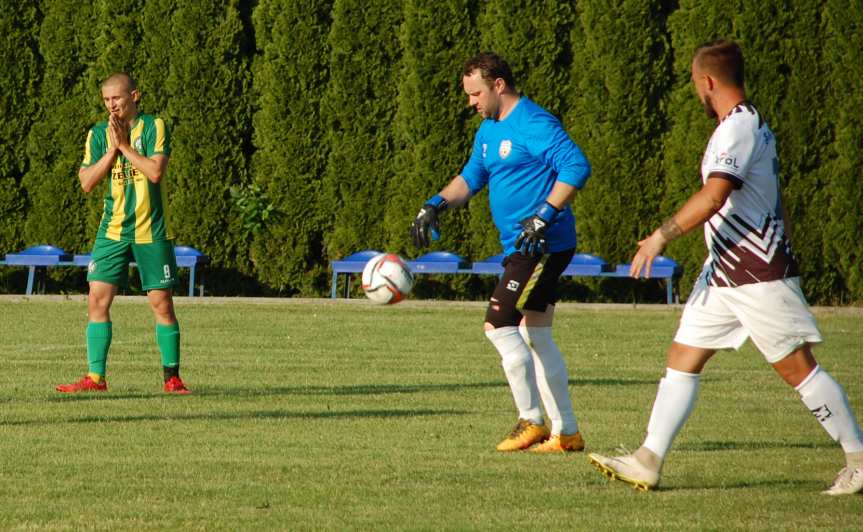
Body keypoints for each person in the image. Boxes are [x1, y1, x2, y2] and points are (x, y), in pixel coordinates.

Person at [588, 40, 863, 495]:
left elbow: (715, 195)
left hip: (754, 273)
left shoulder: (738, 128)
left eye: (695, 83)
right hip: (725, 272)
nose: (696, 91)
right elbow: (774, 198)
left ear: (707, 81)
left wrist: (660, 236)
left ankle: (857, 456)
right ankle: (648, 460)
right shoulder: (749, 124)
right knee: (683, 357)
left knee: (797, 367)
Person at [411, 53, 591, 452]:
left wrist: (544, 215)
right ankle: (568, 433)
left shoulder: (535, 123)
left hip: (541, 244)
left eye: (475, 94)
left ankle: (531, 420)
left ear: (498, 85)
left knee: (499, 323)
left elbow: (576, 166)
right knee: (537, 336)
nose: (471, 102)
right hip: (522, 247)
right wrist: (435, 203)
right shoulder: (489, 130)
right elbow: (472, 176)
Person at [56, 72, 190, 394]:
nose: (111, 105)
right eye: (106, 100)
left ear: (134, 96)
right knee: (96, 300)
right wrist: (112, 150)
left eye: (116, 98)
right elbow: (87, 183)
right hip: (113, 230)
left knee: (162, 304)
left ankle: (171, 378)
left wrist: (125, 147)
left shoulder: (154, 126)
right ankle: (95, 379)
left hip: (151, 229)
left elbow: (155, 172)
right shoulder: (98, 134)